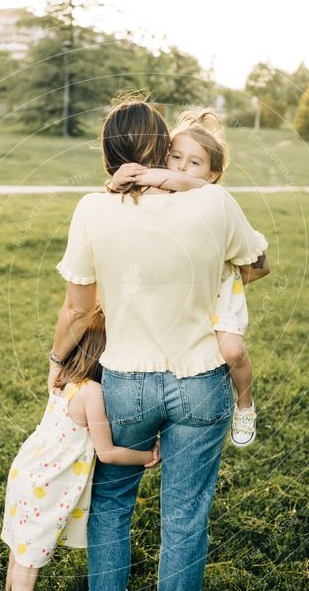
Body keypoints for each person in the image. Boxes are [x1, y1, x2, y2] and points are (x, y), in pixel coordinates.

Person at [50, 96, 270, 591]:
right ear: (160, 149)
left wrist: (57, 364)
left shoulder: (92, 210)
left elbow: (77, 309)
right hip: (201, 380)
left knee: (113, 501)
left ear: (111, 154)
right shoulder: (216, 202)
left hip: (125, 381)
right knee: (186, 512)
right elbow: (259, 263)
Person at [1, 305, 160, 591]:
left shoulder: (58, 379)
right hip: (44, 491)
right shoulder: (92, 394)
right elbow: (107, 453)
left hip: (24, 474)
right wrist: (147, 455)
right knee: (29, 578)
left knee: (18, 551)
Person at [108, 108, 261, 448]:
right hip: (177, 295)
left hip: (220, 286)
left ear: (213, 174)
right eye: (175, 157)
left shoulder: (208, 195)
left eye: (195, 162)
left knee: (232, 350)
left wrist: (148, 175)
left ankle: (245, 403)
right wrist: (117, 183)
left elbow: (259, 263)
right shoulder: (157, 195)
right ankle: (164, 424)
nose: (181, 167)